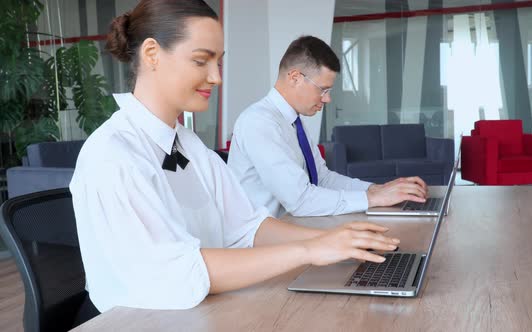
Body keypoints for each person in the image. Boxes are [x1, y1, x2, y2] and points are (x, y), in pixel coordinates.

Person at [70, 0, 399, 316]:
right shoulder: (113, 155)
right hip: (137, 320)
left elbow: (246, 227)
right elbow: (179, 272)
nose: (216, 77)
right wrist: (309, 250)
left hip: (203, 310)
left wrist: (335, 240)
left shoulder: (188, 145)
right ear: (152, 54)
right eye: (201, 61)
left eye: (219, 62)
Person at [227, 36, 428, 218]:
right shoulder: (259, 123)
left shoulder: (294, 122)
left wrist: (376, 189)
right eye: (323, 90)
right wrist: (373, 199)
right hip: (262, 246)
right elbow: (300, 201)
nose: (328, 99)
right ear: (295, 78)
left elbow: (322, 179)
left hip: (294, 230)